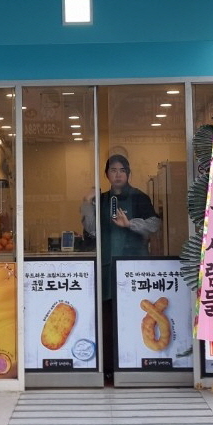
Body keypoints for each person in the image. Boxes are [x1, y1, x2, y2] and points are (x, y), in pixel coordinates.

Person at [81, 154, 161, 377]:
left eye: (122, 170)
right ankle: (109, 367)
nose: (118, 175)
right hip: (107, 267)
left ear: (128, 173)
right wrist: (87, 203)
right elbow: (91, 230)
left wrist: (130, 224)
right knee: (107, 318)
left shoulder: (139, 197)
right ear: (106, 174)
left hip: (134, 266)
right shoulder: (101, 200)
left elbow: (155, 224)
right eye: (113, 170)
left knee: (135, 314)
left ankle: (134, 362)